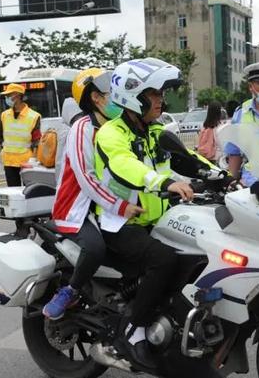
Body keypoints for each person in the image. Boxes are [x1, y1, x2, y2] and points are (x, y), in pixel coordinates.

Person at [94, 58, 202, 370]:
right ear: (133, 96)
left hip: (159, 220)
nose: (161, 100)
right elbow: (125, 165)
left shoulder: (156, 131)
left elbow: (189, 158)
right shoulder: (111, 134)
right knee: (163, 259)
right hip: (120, 222)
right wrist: (164, 182)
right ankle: (133, 330)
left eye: (160, 94)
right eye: (154, 94)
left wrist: (224, 176)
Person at [42, 68, 143, 320]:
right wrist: (119, 206)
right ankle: (71, 290)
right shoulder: (83, 129)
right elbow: (86, 177)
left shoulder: (120, 127)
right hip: (77, 208)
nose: (118, 97)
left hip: (109, 207)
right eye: (111, 92)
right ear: (96, 98)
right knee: (95, 249)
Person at [0, 83, 41, 186]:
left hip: (26, 161)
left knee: (28, 192)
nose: (7, 98)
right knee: (13, 193)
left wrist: (34, 158)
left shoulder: (34, 116)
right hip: (9, 161)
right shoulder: (4, 115)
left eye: (8, 95)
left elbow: (36, 140)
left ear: (17, 95)